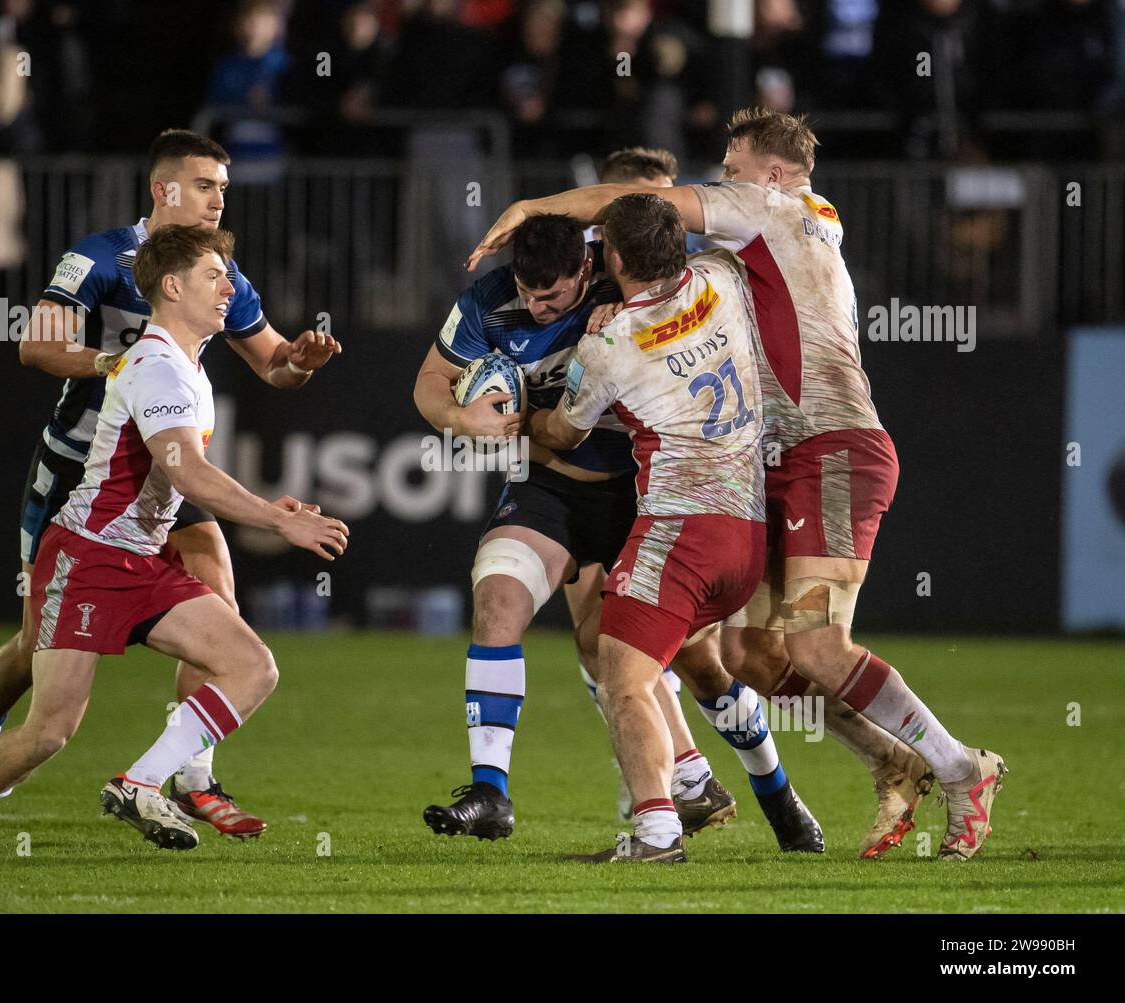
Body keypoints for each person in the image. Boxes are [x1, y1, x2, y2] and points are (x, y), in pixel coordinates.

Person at [470, 108, 1007, 861]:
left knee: (817, 648)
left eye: (731, 166)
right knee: (756, 655)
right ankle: (889, 758)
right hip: (781, 464)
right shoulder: (762, 251)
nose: (719, 181)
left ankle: (958, 767)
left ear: (777, 175)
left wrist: (533, 207)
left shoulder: (769, 210)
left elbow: (637, 208)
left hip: (830, 453)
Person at [0, 129, 341, 843]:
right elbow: (35, 346)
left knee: (221, 594)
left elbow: (273, 364)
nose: (220, 198)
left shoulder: (220, 274)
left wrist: (300, 363)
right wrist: (121, 365)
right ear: (164, 190)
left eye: (224, 186)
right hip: (84, 473)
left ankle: (185, 775)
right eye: (206, 185)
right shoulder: (99, 258)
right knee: (37, 651)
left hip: (164, 465)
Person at [414, 214, 739, 842]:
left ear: (589, 268)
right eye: (529, 293)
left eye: (553, 296)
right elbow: (429, 383)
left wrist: (618, 304)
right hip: (548, 490)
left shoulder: (631, 290)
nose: (537, 307)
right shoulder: (489, 298)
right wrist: (459, 418)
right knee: (497, 596)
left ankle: (746, 786)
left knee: (654, 653)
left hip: (638, 495)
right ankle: (490, 791)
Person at [527, 194, 768, 862]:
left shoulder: (610, 342)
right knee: (642, 654)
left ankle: (659, 832)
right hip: (748, 534)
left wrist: (520, 412)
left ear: (616, 258)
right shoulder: (722, 278)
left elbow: (562, 431)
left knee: (622, 675)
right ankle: (706, 781)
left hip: (681, 532)